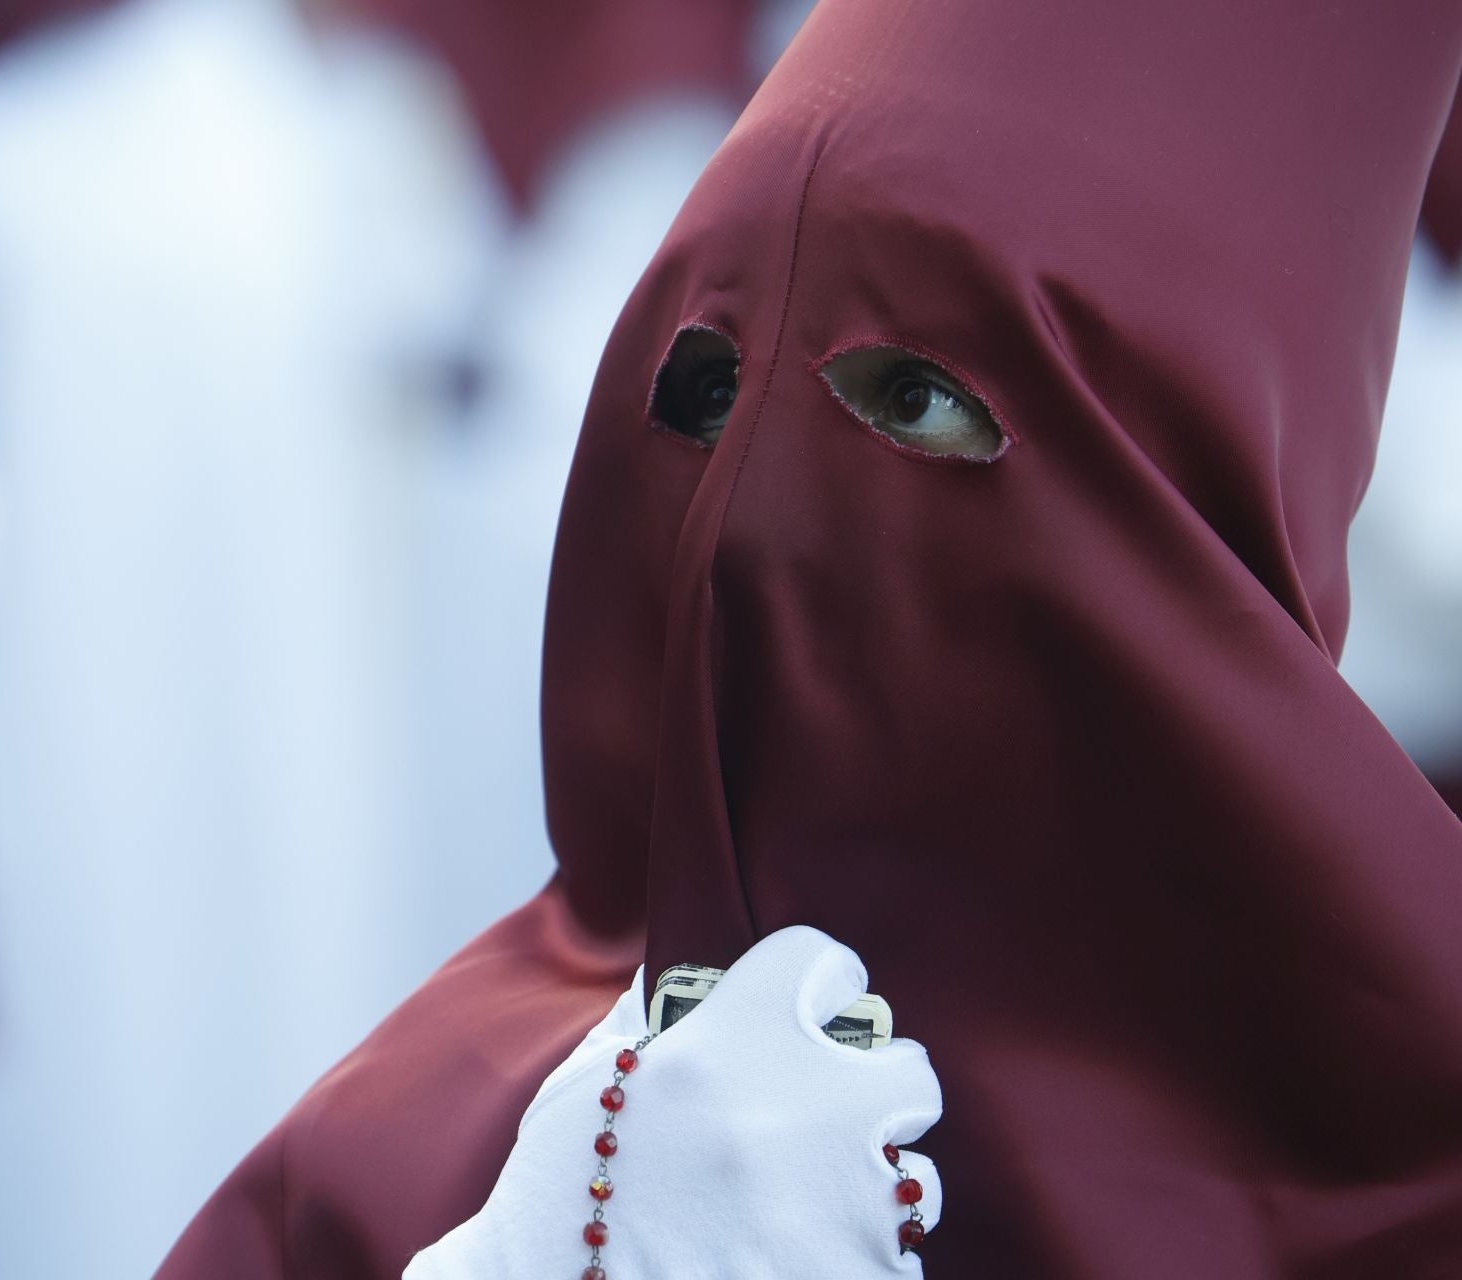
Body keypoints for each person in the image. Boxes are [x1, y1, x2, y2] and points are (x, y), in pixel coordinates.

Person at [157, 1, 1462, 1275]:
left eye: (915, 399)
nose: (754, 518)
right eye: (709, 393)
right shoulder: (439, 1159)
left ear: (1199, 502)